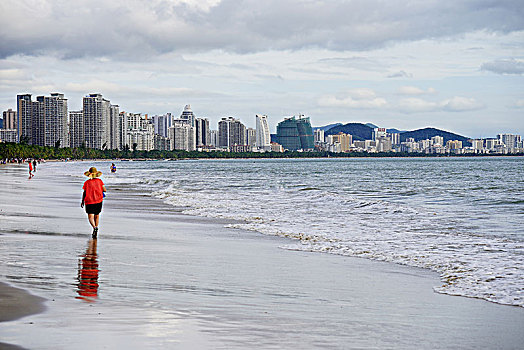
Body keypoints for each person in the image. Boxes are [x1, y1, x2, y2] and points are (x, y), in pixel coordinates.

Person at [81, 167, 106, 238]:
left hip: (89, 201)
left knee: (90, 216)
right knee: (97, 215)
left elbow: (84, 192)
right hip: (98, 200)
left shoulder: (86, 183)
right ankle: (96, 227)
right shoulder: (100, 181)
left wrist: (82, 201)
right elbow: (104, 190)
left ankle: (94, 227)